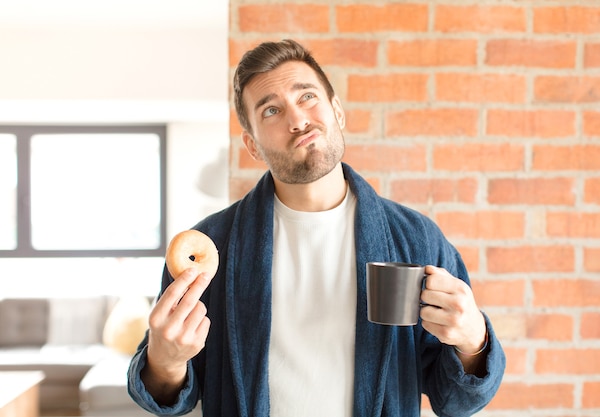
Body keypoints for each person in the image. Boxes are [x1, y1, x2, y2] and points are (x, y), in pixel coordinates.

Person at [128, 39, 506, 417]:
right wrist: (166, 362)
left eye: (307, 97)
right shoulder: (212, 249)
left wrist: (473, 340)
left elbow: (455, 402)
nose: (298, 120)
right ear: (253, 145)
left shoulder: (415, 239)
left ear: (337, 111)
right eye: (272, 110)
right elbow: (168, 397)